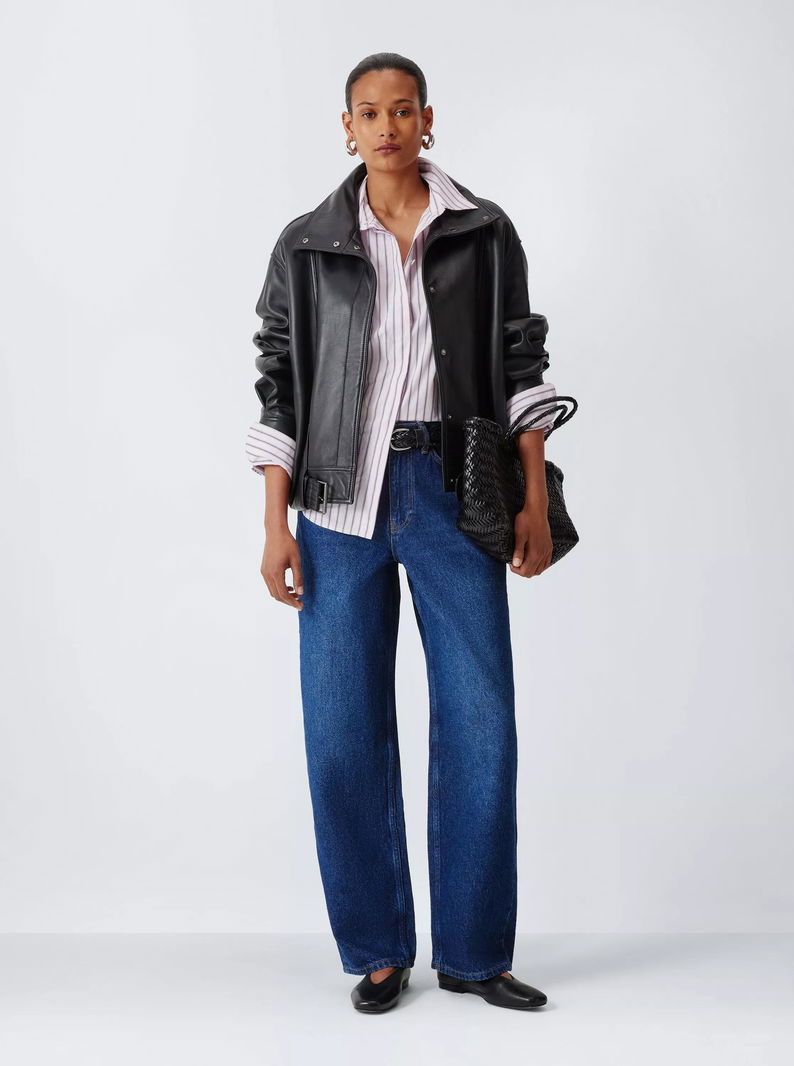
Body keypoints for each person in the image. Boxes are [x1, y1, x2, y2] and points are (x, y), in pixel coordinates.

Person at [246, 52, 555, 1014]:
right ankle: (379, 949)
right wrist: (274, 520)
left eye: (403, 109)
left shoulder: (484, 231)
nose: (387, 126)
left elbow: (522, 363)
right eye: (369, 112)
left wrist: (531, 499)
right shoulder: (306, 244)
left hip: (455, 488)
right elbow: (278, 379)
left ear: (428, 119)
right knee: (342, 731)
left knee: (480, 722)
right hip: (337, 500)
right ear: (347, 128)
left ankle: (473, 954)